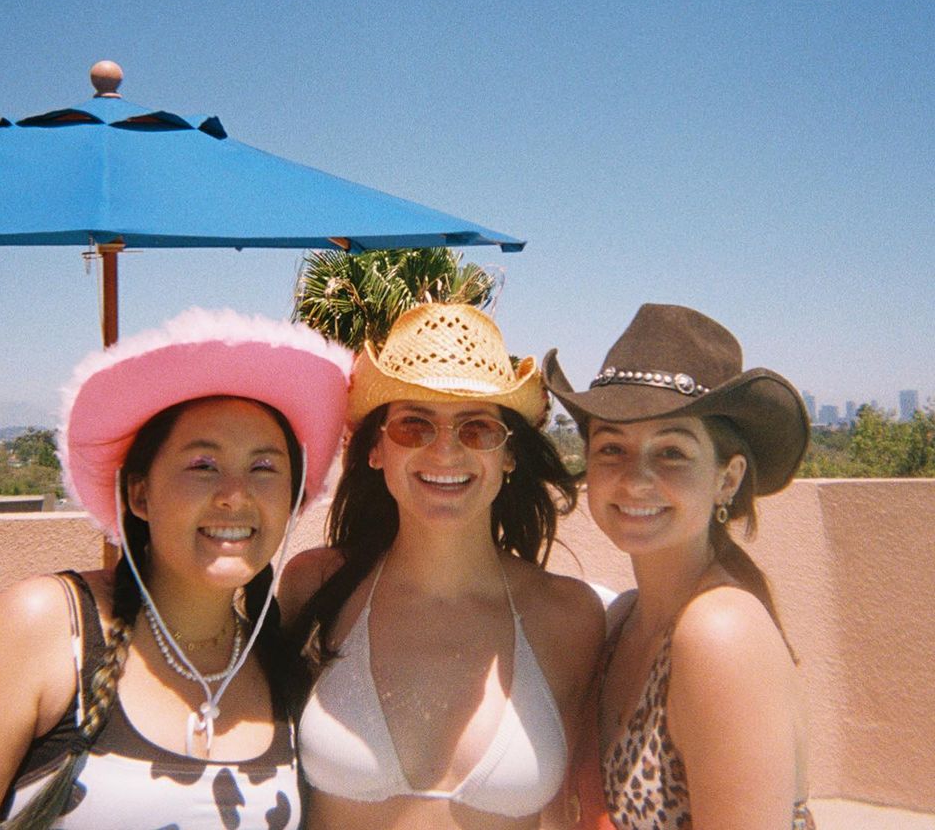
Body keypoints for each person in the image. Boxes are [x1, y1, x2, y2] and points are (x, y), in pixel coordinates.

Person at [0, 307, 351, 830]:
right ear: (139, 494)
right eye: (203, 466)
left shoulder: (281, 673)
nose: (235, 495)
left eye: (264, 467)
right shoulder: (47, 630)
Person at [281, 302, 605, 830]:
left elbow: (572, 814)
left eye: (476, 428)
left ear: (509, 455)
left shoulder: (570, 616)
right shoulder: (315, 586)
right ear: (375, 449)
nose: (445, 451)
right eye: (414, 425)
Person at [543, 303, 815, 830]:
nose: (635, 479)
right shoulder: (623, 620)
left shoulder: (720, 633)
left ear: (727, 479)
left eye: (671, 452)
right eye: (611, 448)